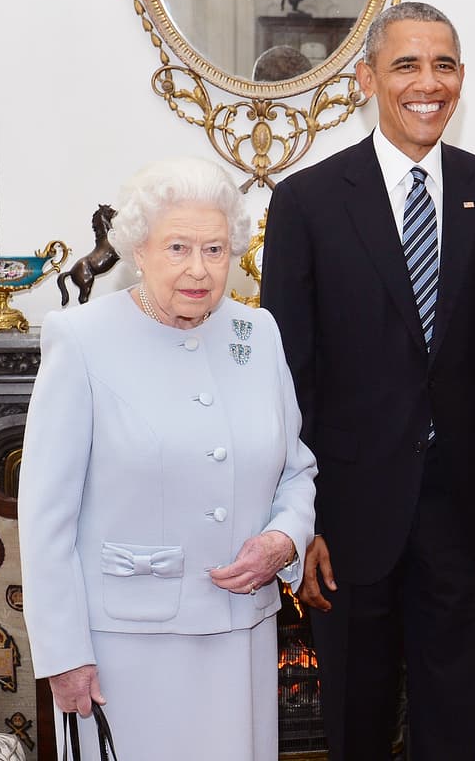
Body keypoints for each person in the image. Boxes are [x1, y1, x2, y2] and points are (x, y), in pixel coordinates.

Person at [260, 1, 475, 761]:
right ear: (367, 79)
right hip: (347, 514)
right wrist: (300, 516)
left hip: (466, 511)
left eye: (444, 64)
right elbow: (288, 377)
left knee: (456, 723)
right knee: (356, 720)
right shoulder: (307, 201)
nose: (429, 83)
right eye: (407, 65)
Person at [19, 157, 318, 761]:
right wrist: (64, 655)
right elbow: (45, 515)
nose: (198, 269)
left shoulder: (257, 334)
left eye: (214, 250)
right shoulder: (81, 339)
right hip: (123, 647)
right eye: (178, 247)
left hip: (242, 636)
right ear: (139, 249)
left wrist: (286, 539)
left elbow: (297, 470)